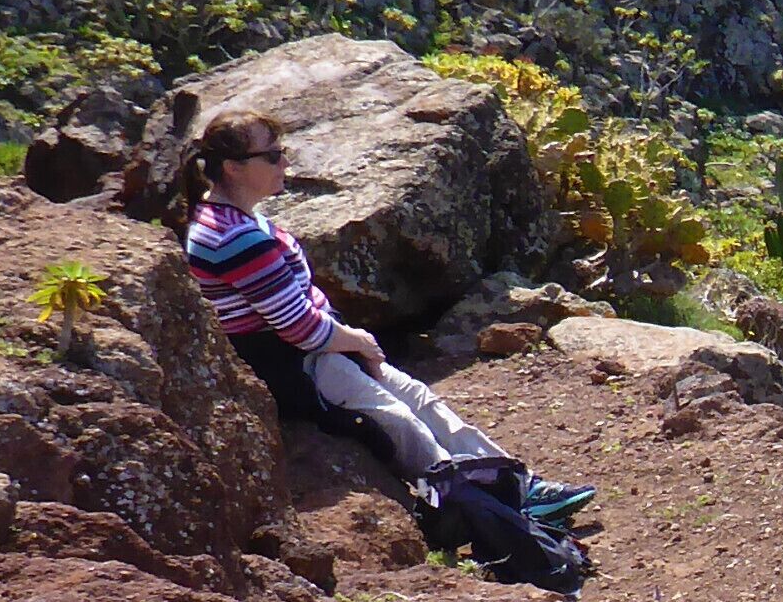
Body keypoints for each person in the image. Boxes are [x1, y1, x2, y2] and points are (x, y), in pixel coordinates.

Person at [179, 111, 598, 561]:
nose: (285, 164)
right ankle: (492, 507)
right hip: (295, 364)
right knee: (401, 422)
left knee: (420, 398)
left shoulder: (238, 219)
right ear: (233, 167)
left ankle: (521, 485)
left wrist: (350, 342)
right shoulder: (234, 238)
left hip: (316, 349)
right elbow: (295, 326)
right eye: (274, 155)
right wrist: (358, 342)